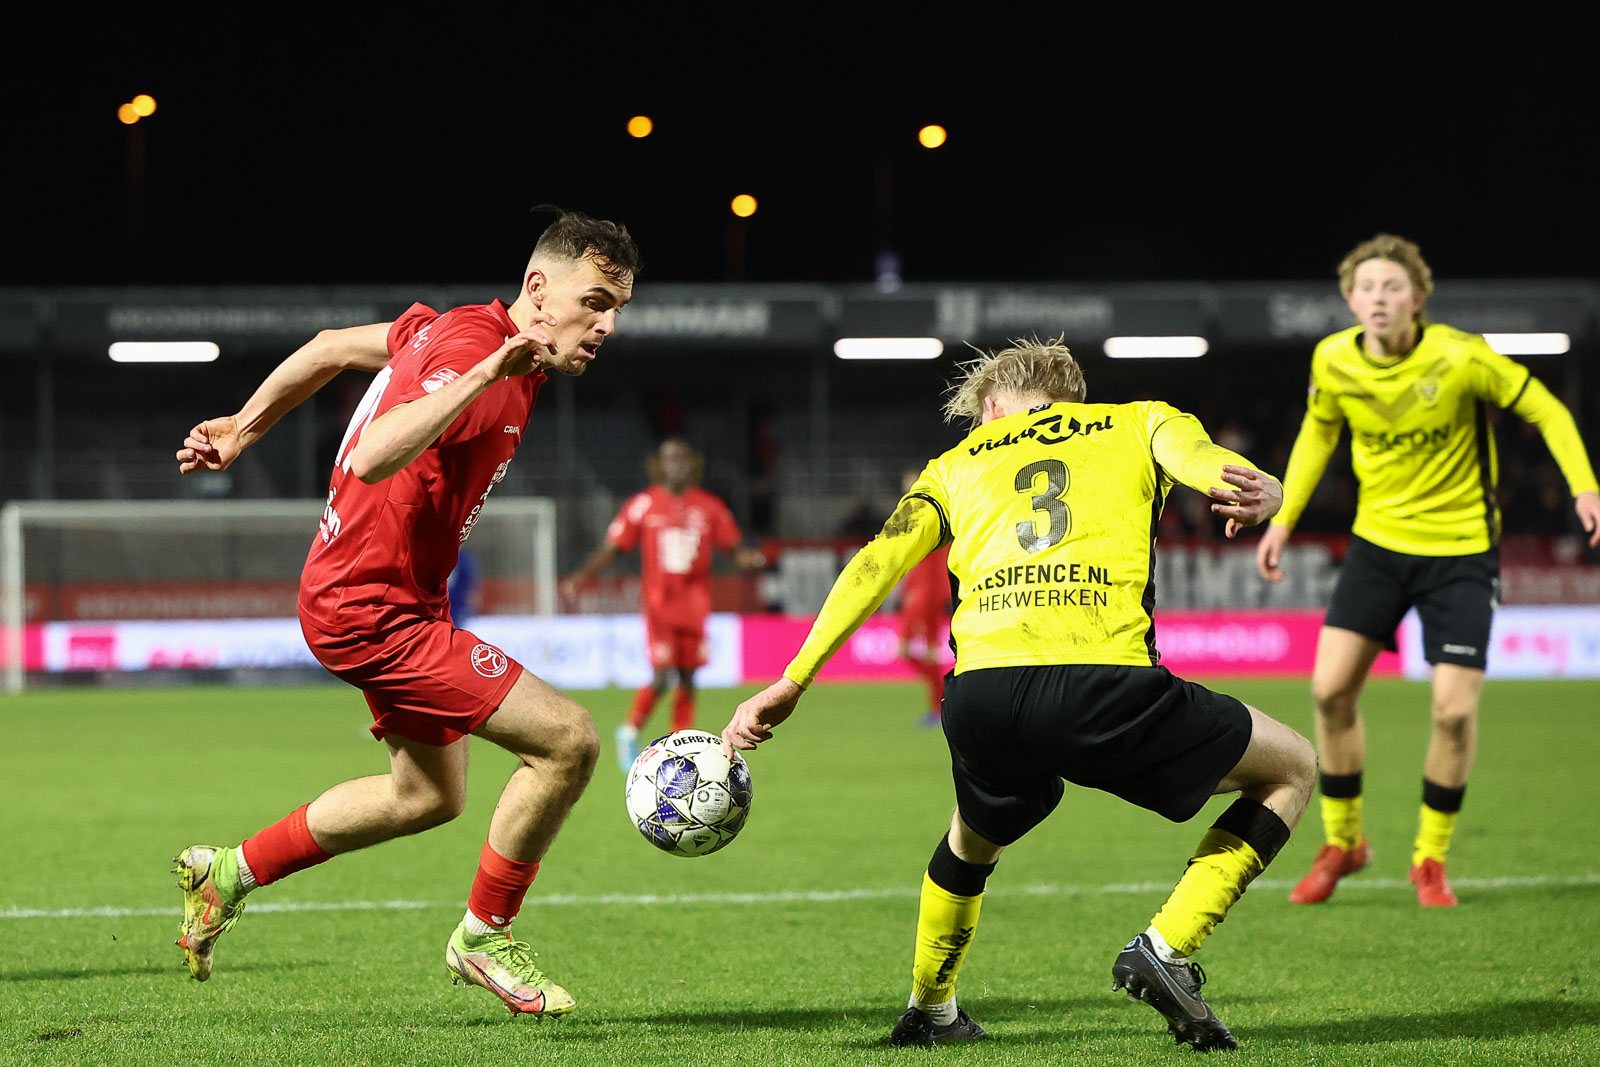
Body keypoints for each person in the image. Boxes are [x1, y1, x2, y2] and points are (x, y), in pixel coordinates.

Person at [722, 338, 1316, 1051]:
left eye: (978, 416)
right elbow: (1206, 463)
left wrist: (793, 678)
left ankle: (930, 1007)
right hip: (1104, 683)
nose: (979, 430)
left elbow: (876, 561)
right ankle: (1169, 946)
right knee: (1292, 767)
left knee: (971, 839)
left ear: (998, 403)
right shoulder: (1140, 420)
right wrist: (1264, 488)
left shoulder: (953, 465)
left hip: (982, 699)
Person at [169, 209, 642, 1014]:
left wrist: (244, 427)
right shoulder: (474, 353)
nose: (605, 325)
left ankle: (227, 872)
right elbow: (376, 450)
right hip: (370, 609)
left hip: (387, 599)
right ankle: (484, 935)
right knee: (569, 741)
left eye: (616, 311)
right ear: (537, 288)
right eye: (593, 301)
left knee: (427, 796)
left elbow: (325, 346)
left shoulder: (446, 326)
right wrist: (486, 372)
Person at [1256, 234, 1600, 909]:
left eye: (1392, 288)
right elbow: (1319, 433)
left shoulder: (1461, 355)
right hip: (1377, 548)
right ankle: (1344, 842)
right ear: (1350, 300)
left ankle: (1429, 858)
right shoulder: (1332, 359)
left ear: (1417, 297)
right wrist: (1283, 519)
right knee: (1327, 691)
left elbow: (1547, 409)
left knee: (1451, 711)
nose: (1379, 299)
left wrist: (1584, 485)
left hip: (1461, 551)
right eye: (1366, 289)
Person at [560, 437, 765, 772]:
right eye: (670, 459)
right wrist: (581, 576)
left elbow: (735, 548)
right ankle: (629, 731)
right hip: (660, 605)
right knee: (660, 676)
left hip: (695, 606)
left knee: (687, 677)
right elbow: (613, 546)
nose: (676, 466)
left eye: (683, 459)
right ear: (659, 464)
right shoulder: (644, 504)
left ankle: (678, 743)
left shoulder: (709, 506)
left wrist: (749, 559)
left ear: (693, 464)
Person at [894, 467, 952, 728]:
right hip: (918, 591)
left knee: (915, 652)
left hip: (926, 594)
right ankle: (939, 706)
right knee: (917, 654)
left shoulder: (932, 515)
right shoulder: (916, 514)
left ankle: (938, 707)